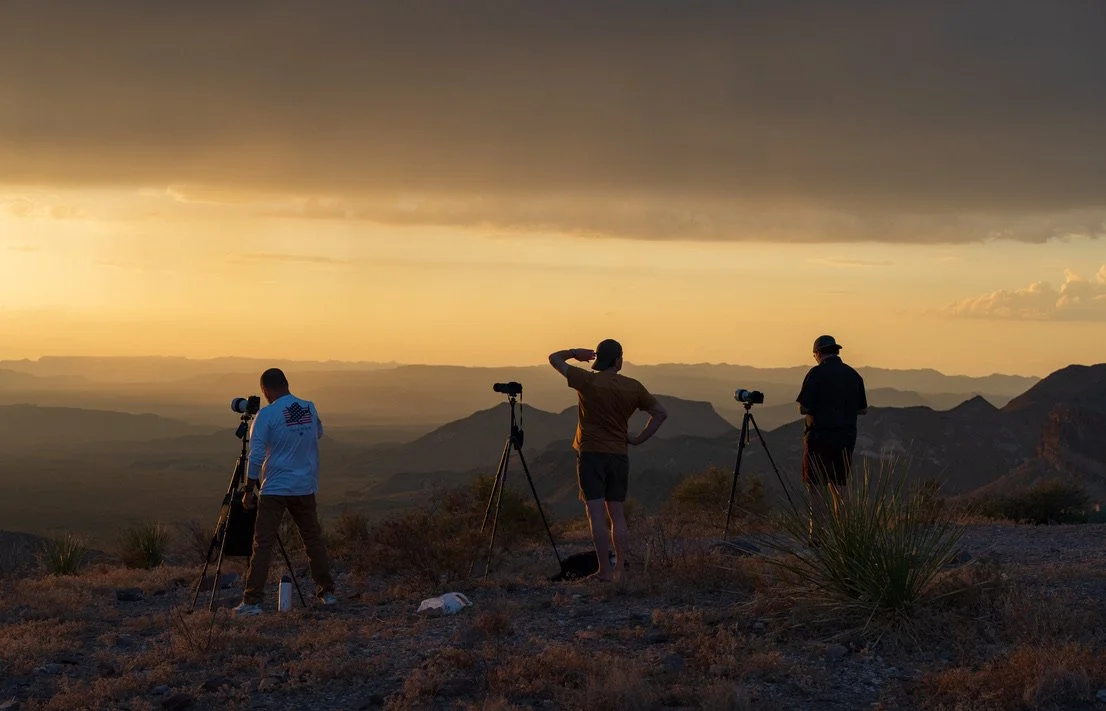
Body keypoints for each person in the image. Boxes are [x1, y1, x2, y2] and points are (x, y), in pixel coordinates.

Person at [549, 339, 667, 582]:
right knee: (617, 514)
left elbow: (554, 359)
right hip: (619, 455)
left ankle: (603, 570)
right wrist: (637, 439)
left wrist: (574, 353)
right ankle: (619, 570)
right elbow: (660, 414)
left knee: (595, 513)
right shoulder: (633, 387)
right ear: (617, 360)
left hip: (591, 453)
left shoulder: (588, 381)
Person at [233, 368, 337, 615]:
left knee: (263, 544)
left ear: (265, 391)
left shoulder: (266, 415)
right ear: (287, 383)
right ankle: (328, 592)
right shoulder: (309, 408)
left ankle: (252, 601)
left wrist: (249, 489)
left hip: (275, 488)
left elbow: (256, 455)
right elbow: (318, 433)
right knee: (312, 540)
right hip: (305, 486)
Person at [796, 335, 868, 545]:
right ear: (836, 352)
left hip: (818, 437)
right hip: (845, 437)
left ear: (818, 353)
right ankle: (845, 534)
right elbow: (862, 409)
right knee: (840, 486)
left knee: (816, 486)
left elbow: (804, 407)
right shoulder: (853, 375)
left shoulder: (816, 374)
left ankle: (816, 536)